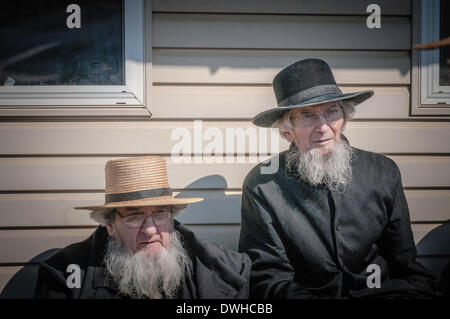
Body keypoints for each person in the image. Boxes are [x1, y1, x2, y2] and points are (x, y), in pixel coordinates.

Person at [239, 58, 438, 299]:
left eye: (331, 111)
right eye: (307, 115)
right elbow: (269, 278)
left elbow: (405, 264)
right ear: (286, 131)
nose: (323, 127)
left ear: (344, 118)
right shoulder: (262, 185)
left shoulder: (383, 172)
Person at [35, 156, 251, 299]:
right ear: (110, 225)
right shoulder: (65, 273)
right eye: (134, 216)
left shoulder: (218, 265)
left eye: (159, 213)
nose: (150, 230)